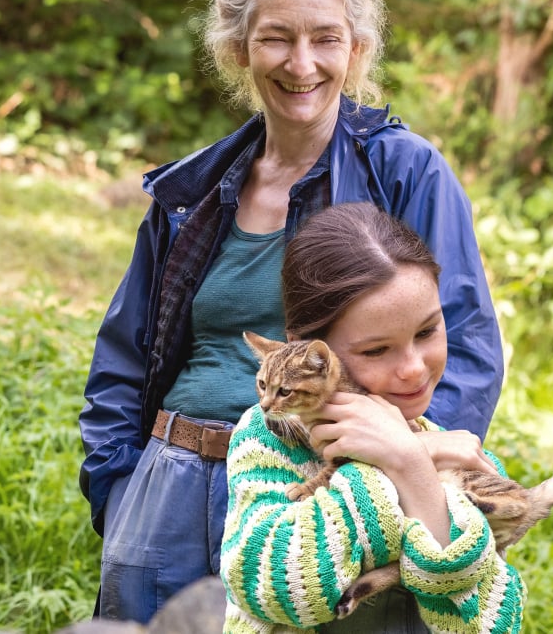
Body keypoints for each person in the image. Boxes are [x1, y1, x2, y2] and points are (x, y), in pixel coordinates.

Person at [78, 0, 503, 622]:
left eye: (326, 38)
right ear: (238, 46)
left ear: (356, 48)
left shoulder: (405, 172)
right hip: (169, 492)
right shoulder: (192, 192)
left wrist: (407, 476)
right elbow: (123, 357)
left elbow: (463, 345)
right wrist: (119, 489)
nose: (302, 63)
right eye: (277, 36)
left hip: (317, 495)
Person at [221, 202, 524, 633]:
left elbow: (490, 624)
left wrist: (410, 460)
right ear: (307, 352)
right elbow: (275, 589)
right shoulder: (269, 440)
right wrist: (400, 463)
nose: (414, 368)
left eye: (426, 331)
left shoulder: (457, 453)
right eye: (375, 350)